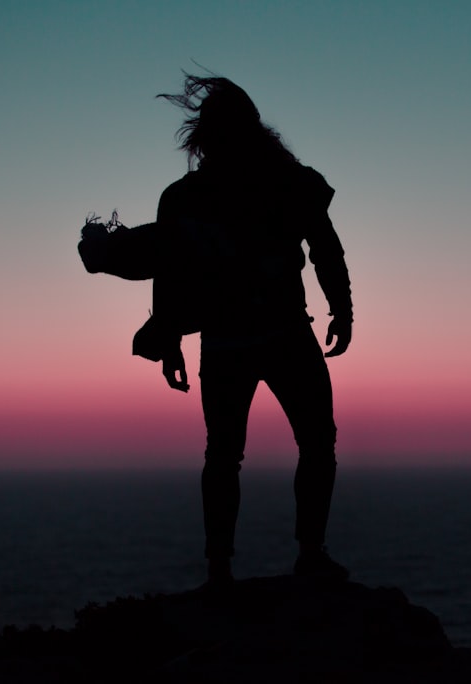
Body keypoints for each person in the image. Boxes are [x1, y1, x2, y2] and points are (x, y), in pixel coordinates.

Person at [79, 73, 353, 586]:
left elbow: (321, 246)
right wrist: (170, 342)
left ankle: (230, 569)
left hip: (252, 339)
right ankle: (286, 558)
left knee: (234, 455)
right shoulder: (273, 183)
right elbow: (175, 272)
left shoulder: (205, 193)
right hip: (267, 337)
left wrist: (343, 308)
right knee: (291, 447)